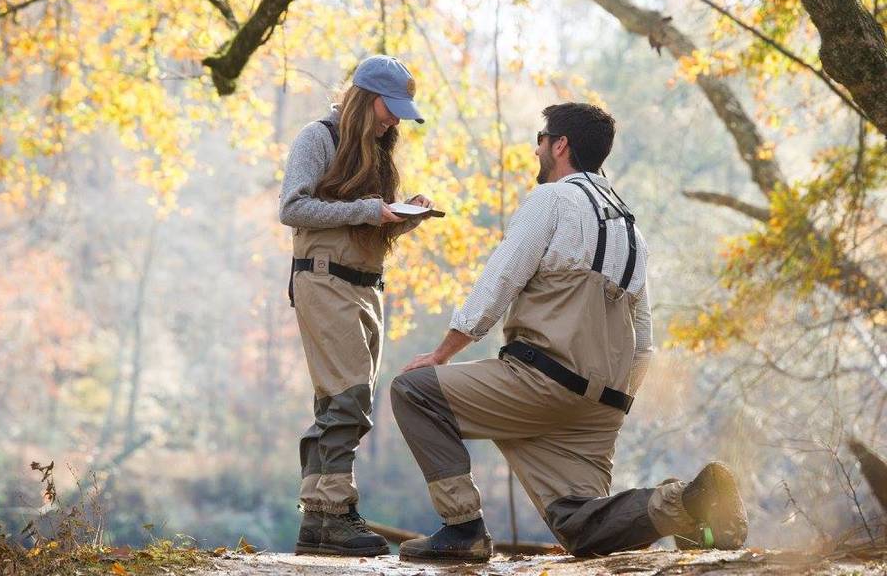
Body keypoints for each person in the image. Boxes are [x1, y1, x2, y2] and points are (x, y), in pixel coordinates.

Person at [389, 102, 748, 562]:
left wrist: (442, 354)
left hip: (544, 384)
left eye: (542, 138)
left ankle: (462, 529)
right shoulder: (630, 226)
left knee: (413, 391)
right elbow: (645, 340)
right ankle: (690, 503)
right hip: (603, 404)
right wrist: (610, 407)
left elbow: (500, 280)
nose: (537, 147)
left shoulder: (551, 200)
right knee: (582, 528)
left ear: (560, 145)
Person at [279, 55, 434, 557]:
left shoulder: (377, 148)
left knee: (339, 403)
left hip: (367, 284)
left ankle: (319, 522)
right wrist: (369, 209)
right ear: (366, 99)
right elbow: (292, 207)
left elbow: (364, 224)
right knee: (347, 400)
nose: (395, 121)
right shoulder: (316, 137)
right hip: (326, 281)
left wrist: (404, 215)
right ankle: (337, 514)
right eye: (391, 109)